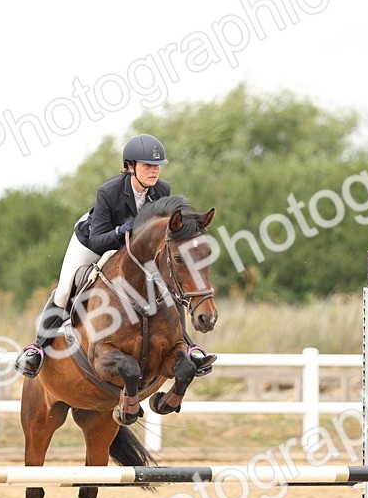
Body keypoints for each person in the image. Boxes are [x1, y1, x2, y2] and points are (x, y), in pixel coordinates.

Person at [13, 134, 216, 379]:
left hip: (135, 251)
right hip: (95, 240)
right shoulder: (108, 192)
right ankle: (37, 349)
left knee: (169, 287)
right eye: (147, 166)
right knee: (66, 289)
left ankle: (189, 346)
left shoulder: (162, 190)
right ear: (131, 167)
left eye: (157, 166)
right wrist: (121, 230)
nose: (154, 171)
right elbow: (99, 238)